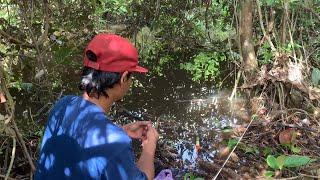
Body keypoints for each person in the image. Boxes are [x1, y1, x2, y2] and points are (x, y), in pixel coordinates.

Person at [34, 34, 159, 180]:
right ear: (124, 77)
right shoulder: (115, 144)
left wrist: (122, 130)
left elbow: (80, 140)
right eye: (131, 77)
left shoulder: (63, 105)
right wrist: (150, 146)